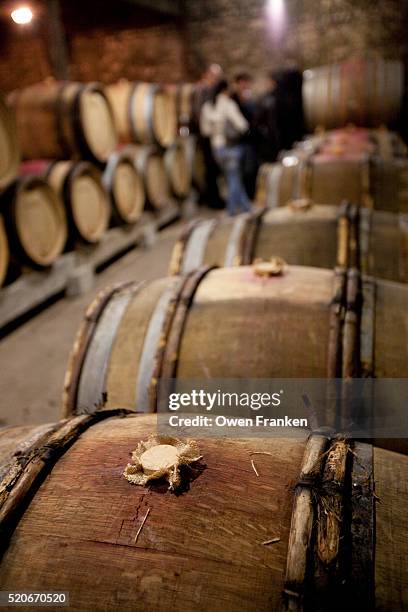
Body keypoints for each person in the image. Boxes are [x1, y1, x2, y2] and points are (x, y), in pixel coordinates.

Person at [200, 79, 251, 216]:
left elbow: (205, 131)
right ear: (225, 90)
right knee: (234, 178)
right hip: (231, 146)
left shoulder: (207, 107)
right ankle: (232, 209)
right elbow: (242, 125)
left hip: (216, 147)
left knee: (232, 177)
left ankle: (246, 206)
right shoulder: (228, 105)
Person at [231, 72, 259, 199]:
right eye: (242, 83)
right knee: (244, 169)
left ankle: (252, 193)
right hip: (240, 139)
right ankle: (246, 195)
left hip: (251, 139)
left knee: (252, 167)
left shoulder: (249, 97)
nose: (245, 85)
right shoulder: (233, 99)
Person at [253, 73, 282, 163]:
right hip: (274, 136)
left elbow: (259, 119)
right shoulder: (278, 96)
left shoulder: (268, 98)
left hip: (269, 138)